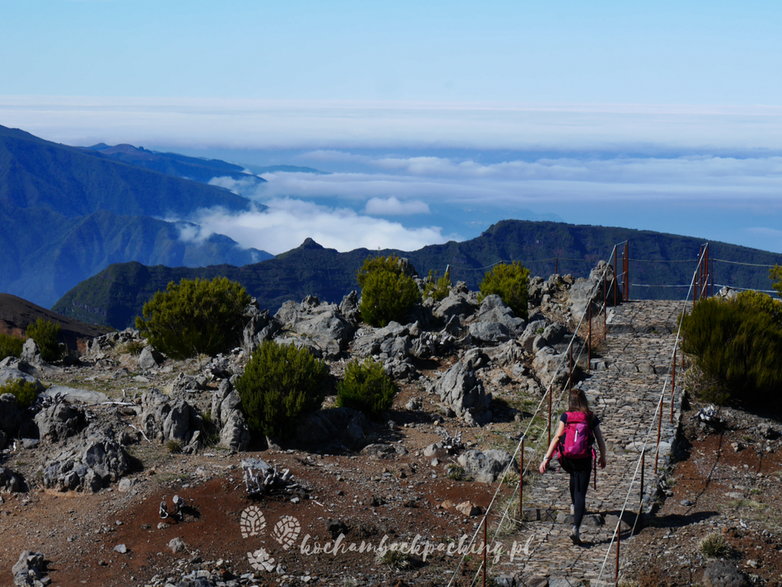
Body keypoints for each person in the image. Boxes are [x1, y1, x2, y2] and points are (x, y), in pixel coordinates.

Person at [538, 388, 607, 545]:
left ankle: (572, 506)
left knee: (573, 476)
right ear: (584, 401)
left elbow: (557, 437)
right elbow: (600, 439)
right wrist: (603, 457)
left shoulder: (566, 416)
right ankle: (576, 527)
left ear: (570, 401)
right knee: (581, 492)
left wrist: (546, 458)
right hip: (584, 458)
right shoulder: (590, 417)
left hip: (567, 459)